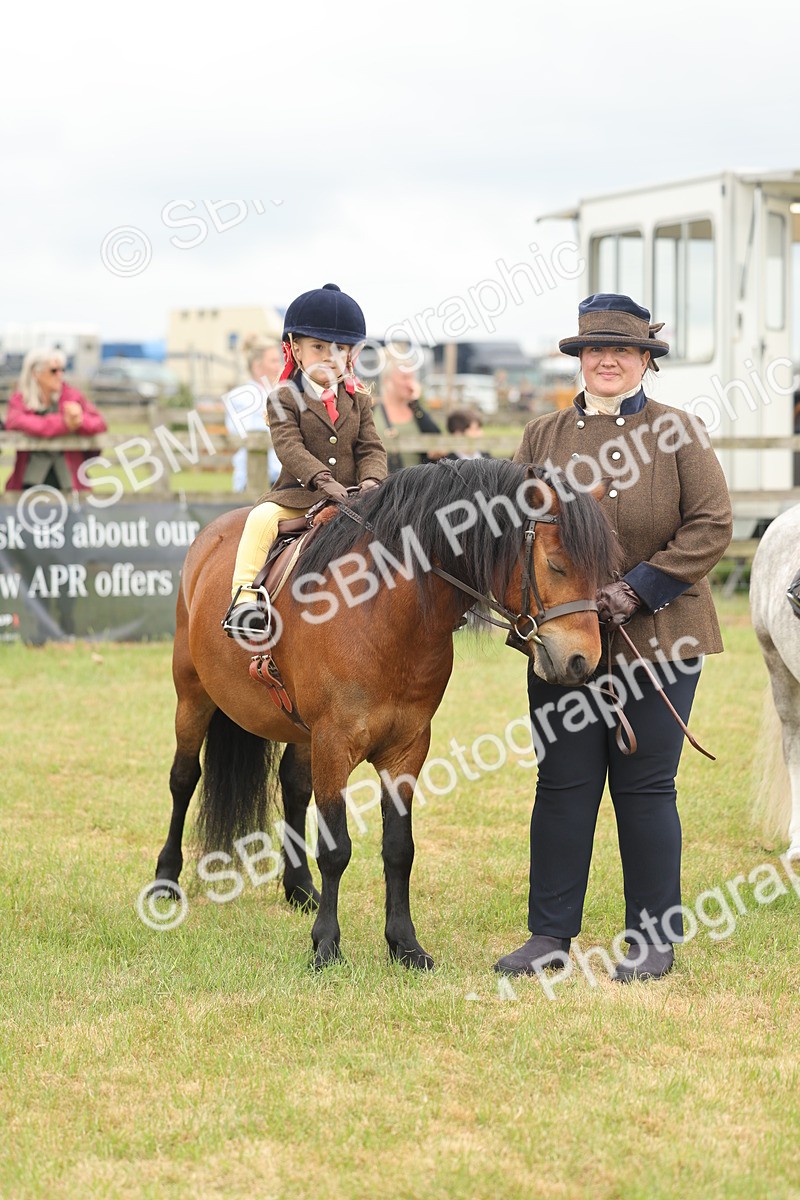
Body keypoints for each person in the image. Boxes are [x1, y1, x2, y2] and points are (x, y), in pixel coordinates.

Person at [495, 293, 733, 983]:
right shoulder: (541, 437)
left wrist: (637, 590)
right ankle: (549, 936)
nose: (606, 360)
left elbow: (712, 525)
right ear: (580, 359)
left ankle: (652, 937)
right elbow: (514, 528)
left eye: (622, 351)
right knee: (562, 785)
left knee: (647, 788)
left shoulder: (680, 432)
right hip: (561, 642)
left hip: (658, 639)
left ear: (644, 362)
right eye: (594, 350)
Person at [223, 283, 388, 639]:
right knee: (260, 519)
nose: (330, 356)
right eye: (318, 347)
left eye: (340, 348)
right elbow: (289, 447)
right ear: (296, 349)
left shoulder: (358, 400)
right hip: (299, 497)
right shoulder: (283, 397)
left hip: (358, 497)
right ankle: (245, 601)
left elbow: (371, 448)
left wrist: (373, 483)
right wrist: (324, 481)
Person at [4, 348, 107, 491]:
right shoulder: (20, 400)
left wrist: (79, 421)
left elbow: (99, 422)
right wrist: (63, 423)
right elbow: (15, 421)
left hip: (69, 479)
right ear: (35, 373)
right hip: (30, 479)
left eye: (62, 370)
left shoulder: (72, 396)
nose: (60, 375)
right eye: (53, 370)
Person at [224, 336, 283, 492]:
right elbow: (243, 433)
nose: (279, 366)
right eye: (274, 361)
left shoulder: (281, 393)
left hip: (282, 479)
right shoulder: (240, 397)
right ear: (257, 367)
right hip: (253, 478)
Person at [372, 347, 442, 471]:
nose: (410, 383)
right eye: (404, 377)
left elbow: (437, 437)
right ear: (387, 380)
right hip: (381, 484)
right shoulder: (372, 411)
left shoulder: (417, 412)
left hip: (415, 485)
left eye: (412, 377)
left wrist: (415, 403)